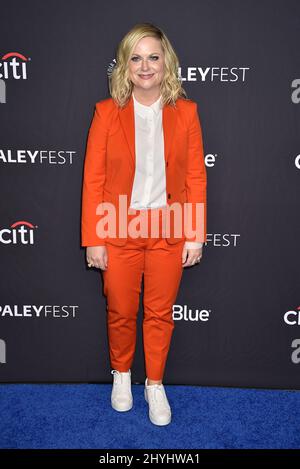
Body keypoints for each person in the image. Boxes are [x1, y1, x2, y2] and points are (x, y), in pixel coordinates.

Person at [81, 22, 207, 426]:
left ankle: (154, 383)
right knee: (120, 309)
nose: (145, 65)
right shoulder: (106, 112)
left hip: (169, 227)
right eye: (136, 57)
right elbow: (93, 179)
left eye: (153, 56)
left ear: (165, 61)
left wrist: (195, 233)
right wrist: (94, 238)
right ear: (124, 65)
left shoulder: (187, 112)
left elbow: (195, 179)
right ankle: (122, 375)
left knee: (159, 312)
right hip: (118, 226)